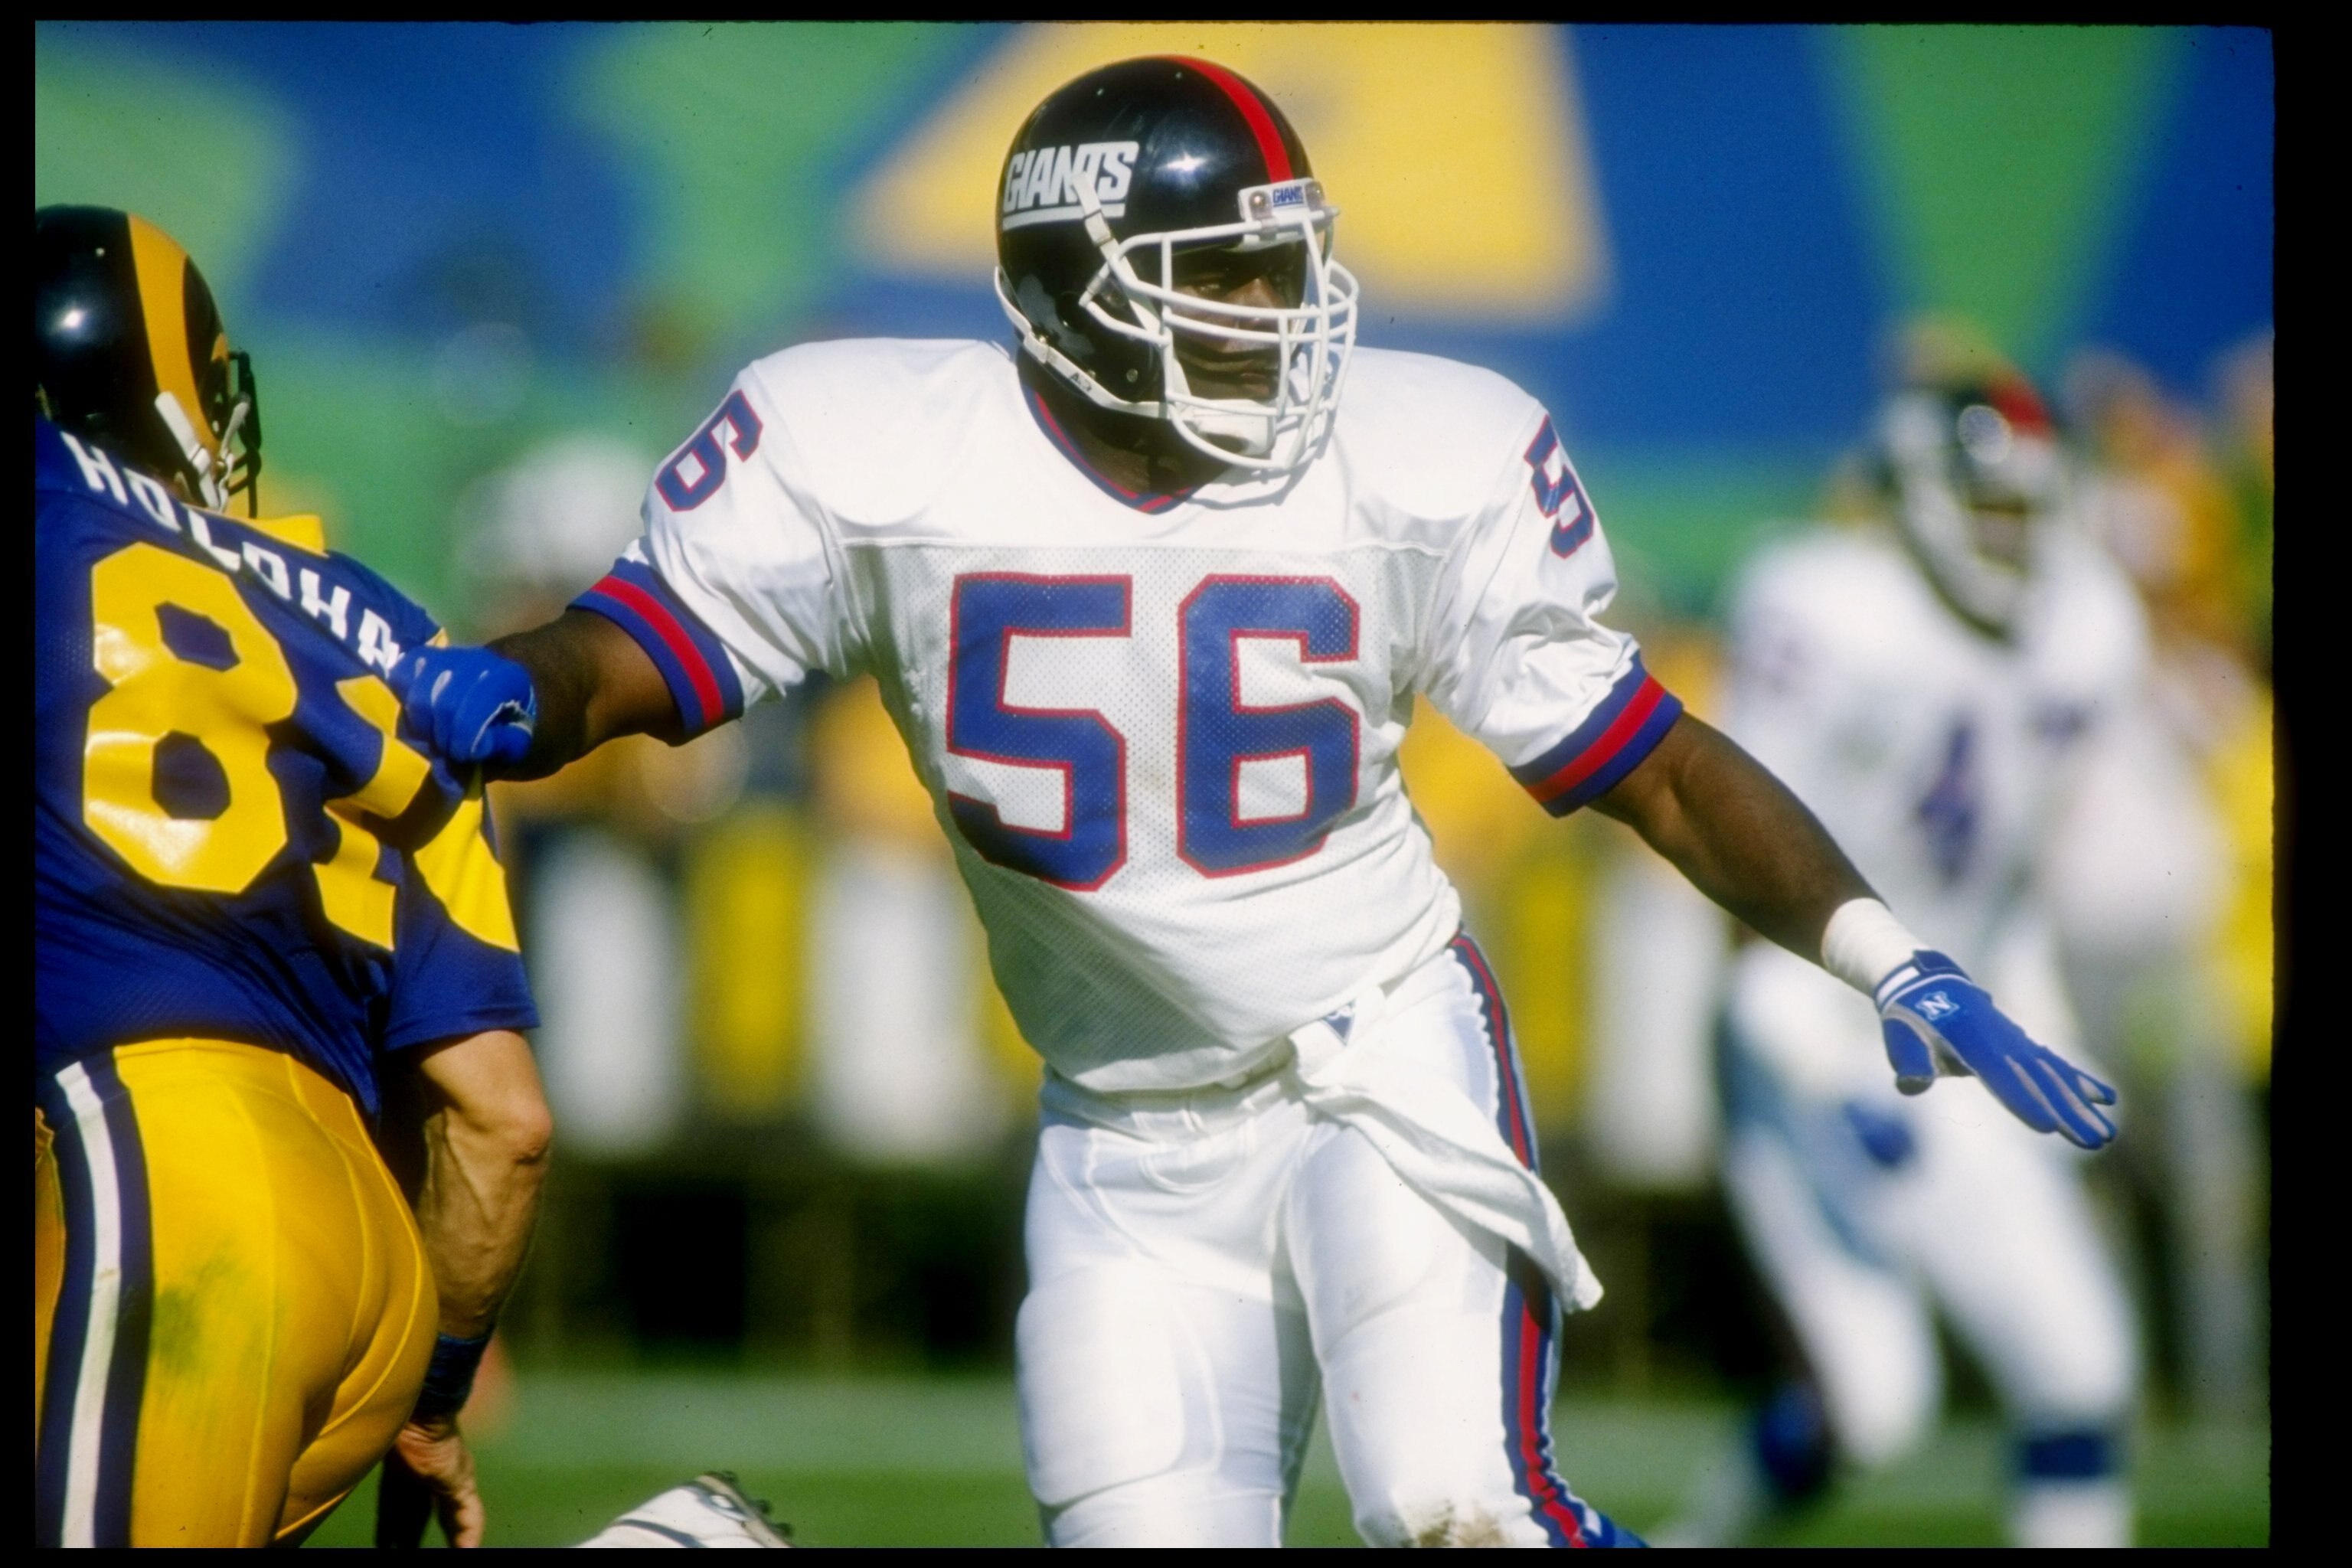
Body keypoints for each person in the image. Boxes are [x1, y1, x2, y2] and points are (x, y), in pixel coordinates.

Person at [396, 60, 2118, 1547]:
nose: (1283, 308)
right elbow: (636, 650)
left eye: (1288, 261)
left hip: (1379, 1066)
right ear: (1080, 296)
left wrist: (1885, 953)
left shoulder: (1414, 456)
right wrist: (509, 692)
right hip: (1123, 1140)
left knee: (1462, 1508)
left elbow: (1656, 760)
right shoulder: (880, 453)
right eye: (1225, 273)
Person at [34, 206, 550, 1547]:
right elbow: (502, 1119)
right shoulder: (383, 626)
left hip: (165, 1172)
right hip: (363, 1254)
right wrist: (435, 1398)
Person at [1661, 338, 2145, 1547]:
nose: (2009, 534)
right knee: (1874, 1412)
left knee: (2080, 1372)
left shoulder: (2089, 622)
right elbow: (1749, 861)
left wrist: (2040, 1018)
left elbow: (2011, 873)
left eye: (2026, 507)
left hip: (1967, 1015)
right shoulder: (1828, 606)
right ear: (1919, 499)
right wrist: (1814, 1066)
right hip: (1810, 1015)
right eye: (1986, 505)